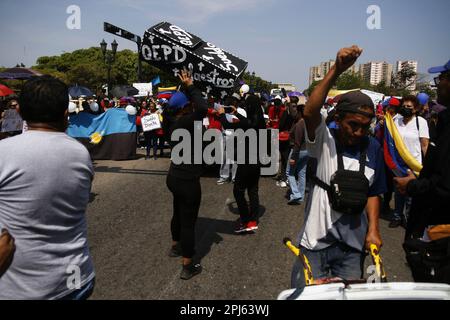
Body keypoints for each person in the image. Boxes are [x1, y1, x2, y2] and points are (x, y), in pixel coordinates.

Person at [291, 46, 386, 287]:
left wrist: (373, 229)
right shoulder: (324, 139)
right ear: (338, 119)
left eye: (365, 127)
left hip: (352, 250)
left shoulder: (373, 147)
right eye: (353, 124)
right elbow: (311, 111)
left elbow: (374, 193)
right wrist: (336, 70)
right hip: (315, 244)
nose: (358, 132)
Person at [0, 75, 95, 299]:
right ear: (66, 114)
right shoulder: (81, 153)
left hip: (21, 288)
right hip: (77, 279)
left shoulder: (3, 152)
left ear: (20, 112)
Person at [394, 59, 450, 283]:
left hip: (440, 229)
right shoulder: (444, 119)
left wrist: (414, 185)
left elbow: (445, 184)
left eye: (442, 79)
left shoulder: (439, 122)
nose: (439, 85)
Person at [166, 69, 208, 280]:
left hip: (174, 176)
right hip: (188, 179)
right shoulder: (189, 122)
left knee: (177, 210)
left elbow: (176, 106)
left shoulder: (170, 122)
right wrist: (190, 85)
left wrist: (183, 88)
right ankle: (187, 264)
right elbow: (203, 107)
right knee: (189, 222)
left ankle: (175, 246)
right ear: (186, 106)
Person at [218, 91, 266, 233]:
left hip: (246, 162)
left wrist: (221, 113)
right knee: (253, 191)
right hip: (256, 162)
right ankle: (253, 220)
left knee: (238, 191)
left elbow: (227, 125)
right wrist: (236, 113)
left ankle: (245, 220)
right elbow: (246, 122)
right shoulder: (259, 121)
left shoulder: (246, 123)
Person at [389, 95, 430, 228]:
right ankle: (397, 216)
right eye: (404, 106)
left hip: (413, 163)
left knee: (411, 193)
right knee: (399, 191)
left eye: (409, 107)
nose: (406, 109)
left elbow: (424, 144)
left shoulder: (420, 122)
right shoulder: (396, 120)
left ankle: (408, 217)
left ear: (415, 109)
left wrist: (428, 164)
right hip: (398, 163)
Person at [286, 104, 308, 205]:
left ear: (299, 112)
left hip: (298, 151)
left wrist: (293, 157)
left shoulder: (300, 123)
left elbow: (297, 142)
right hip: (307, 151)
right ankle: (301, 196)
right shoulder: (308, 122)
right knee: (301, 173)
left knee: (289, 173)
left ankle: (296, 194)